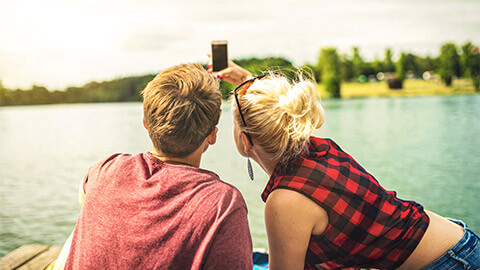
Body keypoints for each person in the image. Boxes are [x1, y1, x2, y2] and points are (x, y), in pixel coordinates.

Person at [215, 62, 480, 270]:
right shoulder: (318, 150)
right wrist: (246, 81)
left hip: (449, 263)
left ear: (243, 141)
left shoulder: (285, 201)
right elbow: (279, 114)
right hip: (460, 243)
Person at [56, 63, 253, 270]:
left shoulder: (103, 170)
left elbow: (85, 195)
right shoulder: (223, 204)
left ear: (146, 124)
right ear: (213, 135)